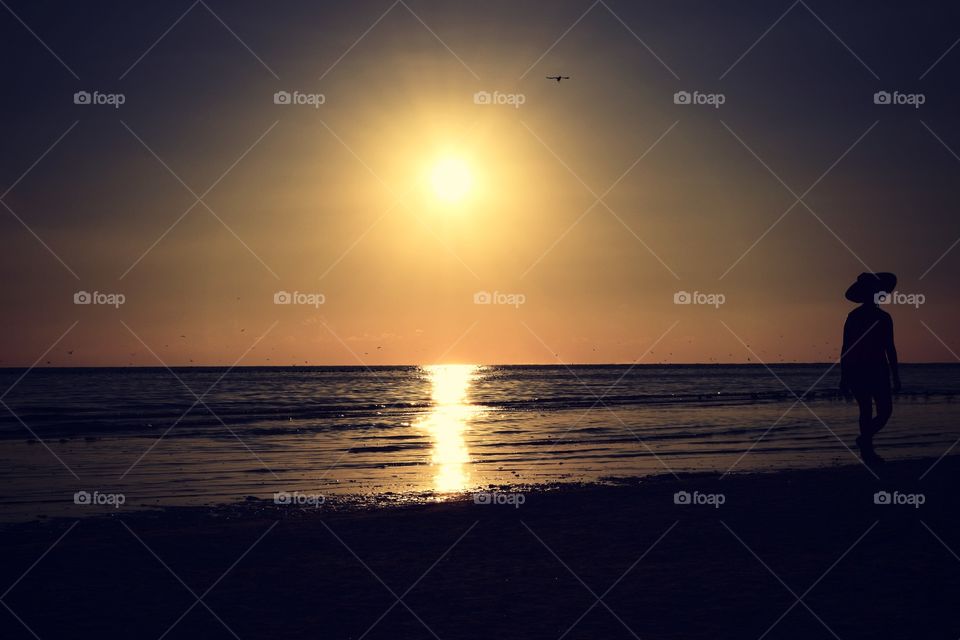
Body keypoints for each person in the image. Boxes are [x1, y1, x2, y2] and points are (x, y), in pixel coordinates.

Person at [839, 272, 901, 465]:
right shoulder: (860, 317)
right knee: (873, 410)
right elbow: (847, 347)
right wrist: (844, 376)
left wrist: (895, 375)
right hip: (867, 370)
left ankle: (865, 441)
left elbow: (889, 347)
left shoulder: (882, 317)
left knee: (879, 411)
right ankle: (867, 449)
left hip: (872, 370)